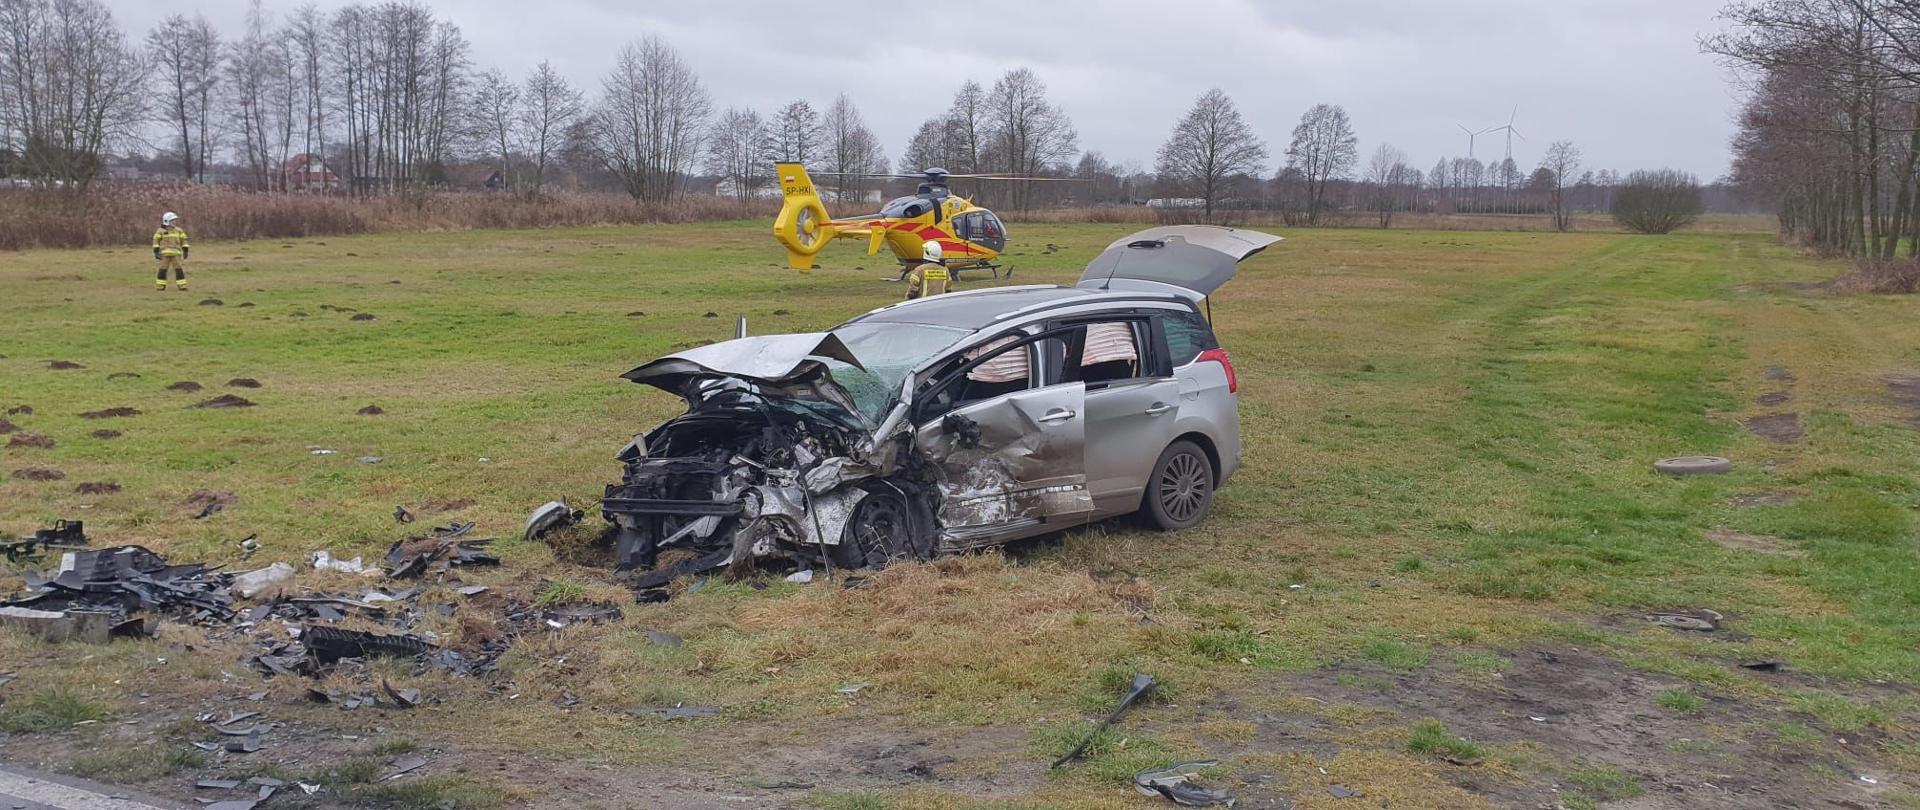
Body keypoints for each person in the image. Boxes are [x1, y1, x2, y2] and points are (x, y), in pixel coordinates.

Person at [152, 212, 190, 291]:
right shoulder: (160, 231)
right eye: (173, 220)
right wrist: (156, 251)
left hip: (176, 255)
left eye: (175, 220)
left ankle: (182, 286)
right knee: (162, 270)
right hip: (164, 255)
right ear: (167, 221)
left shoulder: (179, 230)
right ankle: (160, 286)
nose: (175, 222)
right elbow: (155, 241)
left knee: (179, 269)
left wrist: (185, 250)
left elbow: (184, 240)